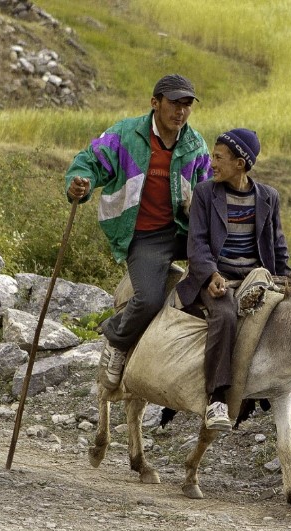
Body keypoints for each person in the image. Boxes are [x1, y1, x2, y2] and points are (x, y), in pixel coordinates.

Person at [175, 128, 291, 432]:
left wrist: (288, 281)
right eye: (213, 156)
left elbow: (277, 244)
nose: (211, 163)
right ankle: (218, 399)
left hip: (258, 277)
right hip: (217, 277)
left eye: (218, 157)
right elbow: (195, 244)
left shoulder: (268, 197)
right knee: (223, 315)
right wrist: (210, 275)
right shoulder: (205, 194)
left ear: (240, 163)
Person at [64, 74, 211, 391]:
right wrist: (80, 182)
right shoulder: (125, 134)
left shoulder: (195, 145)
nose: (181, 111)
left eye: (187, 104)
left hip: (187, 231)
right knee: (148, 299)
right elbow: (88, 161)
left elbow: (210, 190)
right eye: (174, 103)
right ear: (155, 103)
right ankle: (117, 339)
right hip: (146, 235)